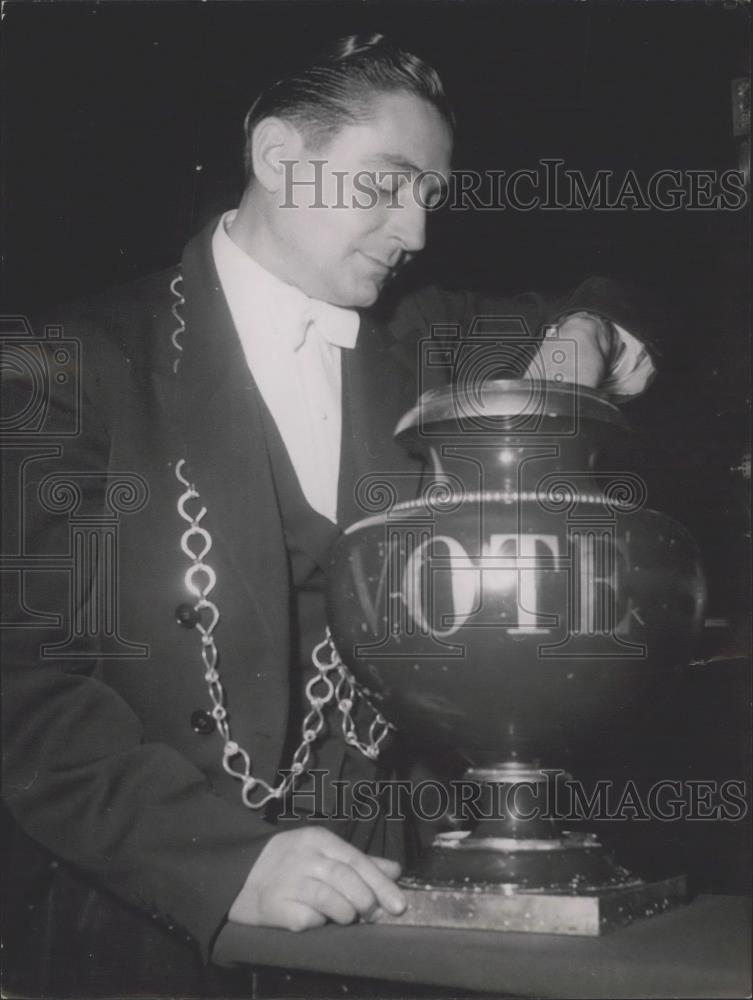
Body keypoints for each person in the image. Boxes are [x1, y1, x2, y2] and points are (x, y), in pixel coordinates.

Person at [1, 33, 655, 996]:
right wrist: (219, 864)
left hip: (392, 905)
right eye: (385, 184)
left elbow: (622, 293)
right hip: (160, 917)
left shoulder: (422, 339)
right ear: (277, 159)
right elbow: (24, 689)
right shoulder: (63, 363)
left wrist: (590, 331)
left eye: (429, 195)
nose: (414, 230)